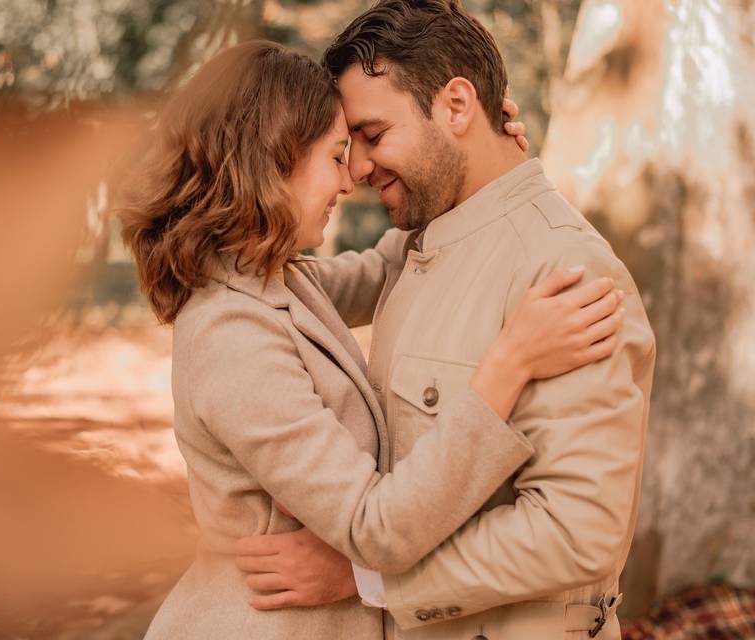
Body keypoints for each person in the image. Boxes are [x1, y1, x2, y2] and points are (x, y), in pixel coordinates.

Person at [120, 39, 624, 640]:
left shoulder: (272, 281)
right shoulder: (231, 331)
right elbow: (373, 527)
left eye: (362, 146)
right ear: (271, 162)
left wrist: (479, 162)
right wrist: (510, 362)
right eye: (337, 155)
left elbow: (397, 262)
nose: (351, 178)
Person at [234, 2, 656, 639]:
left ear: (457, 106)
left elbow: (576, 532)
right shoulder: (420, 245)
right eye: (350, 147)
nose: (357, 170)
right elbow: (289, 282)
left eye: (374, 136)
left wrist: (367, 579)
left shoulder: (566, 272)